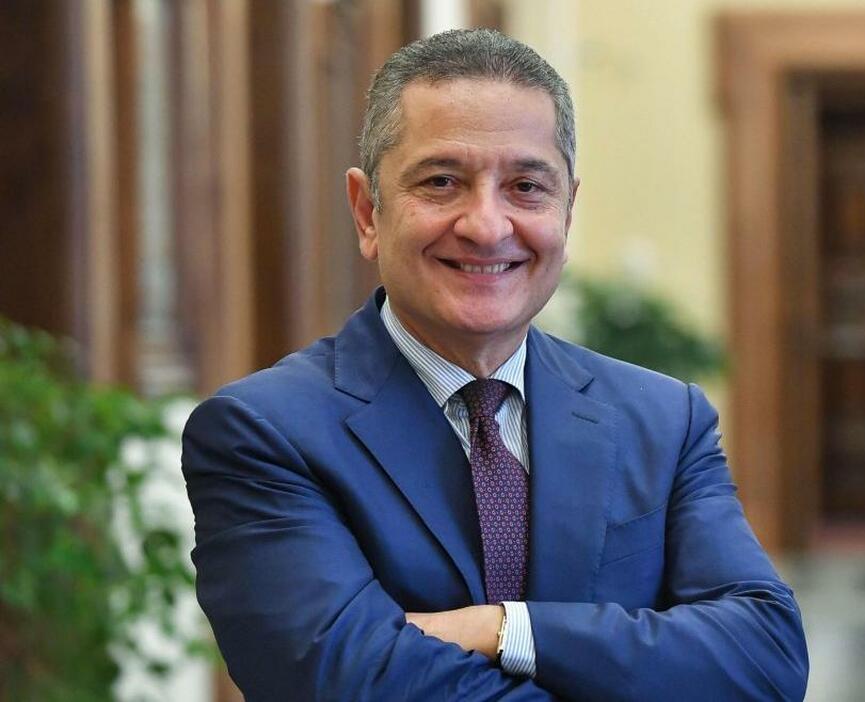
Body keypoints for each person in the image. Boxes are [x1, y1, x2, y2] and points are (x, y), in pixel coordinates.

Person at [182, 28, 807, 701]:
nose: (486, 225)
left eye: (526, 186)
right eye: (441, 182)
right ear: (367, 213)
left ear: (567, 211)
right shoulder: (265, 433)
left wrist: (504, 628)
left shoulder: (664, 421)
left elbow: (765, 657)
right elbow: (341, 680)